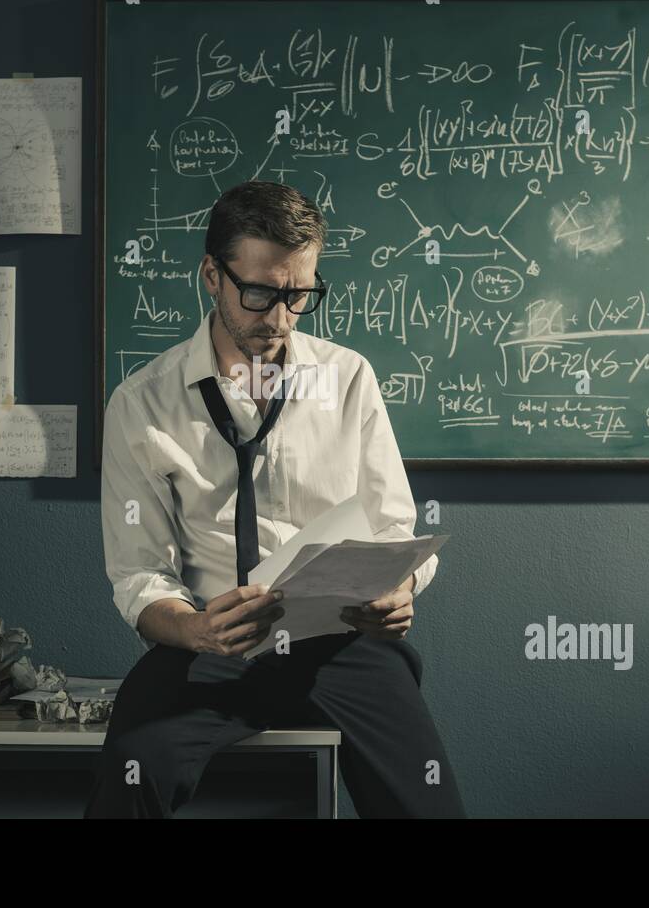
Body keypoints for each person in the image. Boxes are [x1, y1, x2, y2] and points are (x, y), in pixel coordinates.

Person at [86, 180, 465, 818]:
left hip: (342, 647)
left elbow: (397, 529)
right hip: (210, 650)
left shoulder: (348, 378)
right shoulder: (140, 403)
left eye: (299, 295)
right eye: (260, 292)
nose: (280, 317)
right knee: (130, 785)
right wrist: (196, 629)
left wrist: (401, 590)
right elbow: (138, 576)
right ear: (212, 273)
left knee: (427, 805)